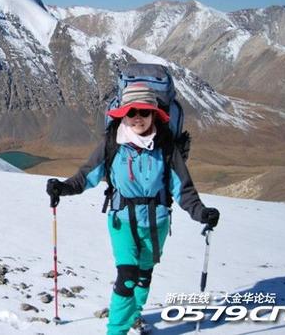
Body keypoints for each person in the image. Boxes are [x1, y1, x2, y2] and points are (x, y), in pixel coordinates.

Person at [46, 83, 220, 335]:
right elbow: (86, 176)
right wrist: (62, 188)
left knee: (144, 276)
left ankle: (134, 315)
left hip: (156, 223)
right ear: (123, 114)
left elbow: (183, 190)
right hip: (122, 221)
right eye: (131, 111)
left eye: (144, 112)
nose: (138, 117)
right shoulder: (112, 144)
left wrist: (202, 213)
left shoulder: (166, 148)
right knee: (127, 276)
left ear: (154, 114)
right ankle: (116, 331)